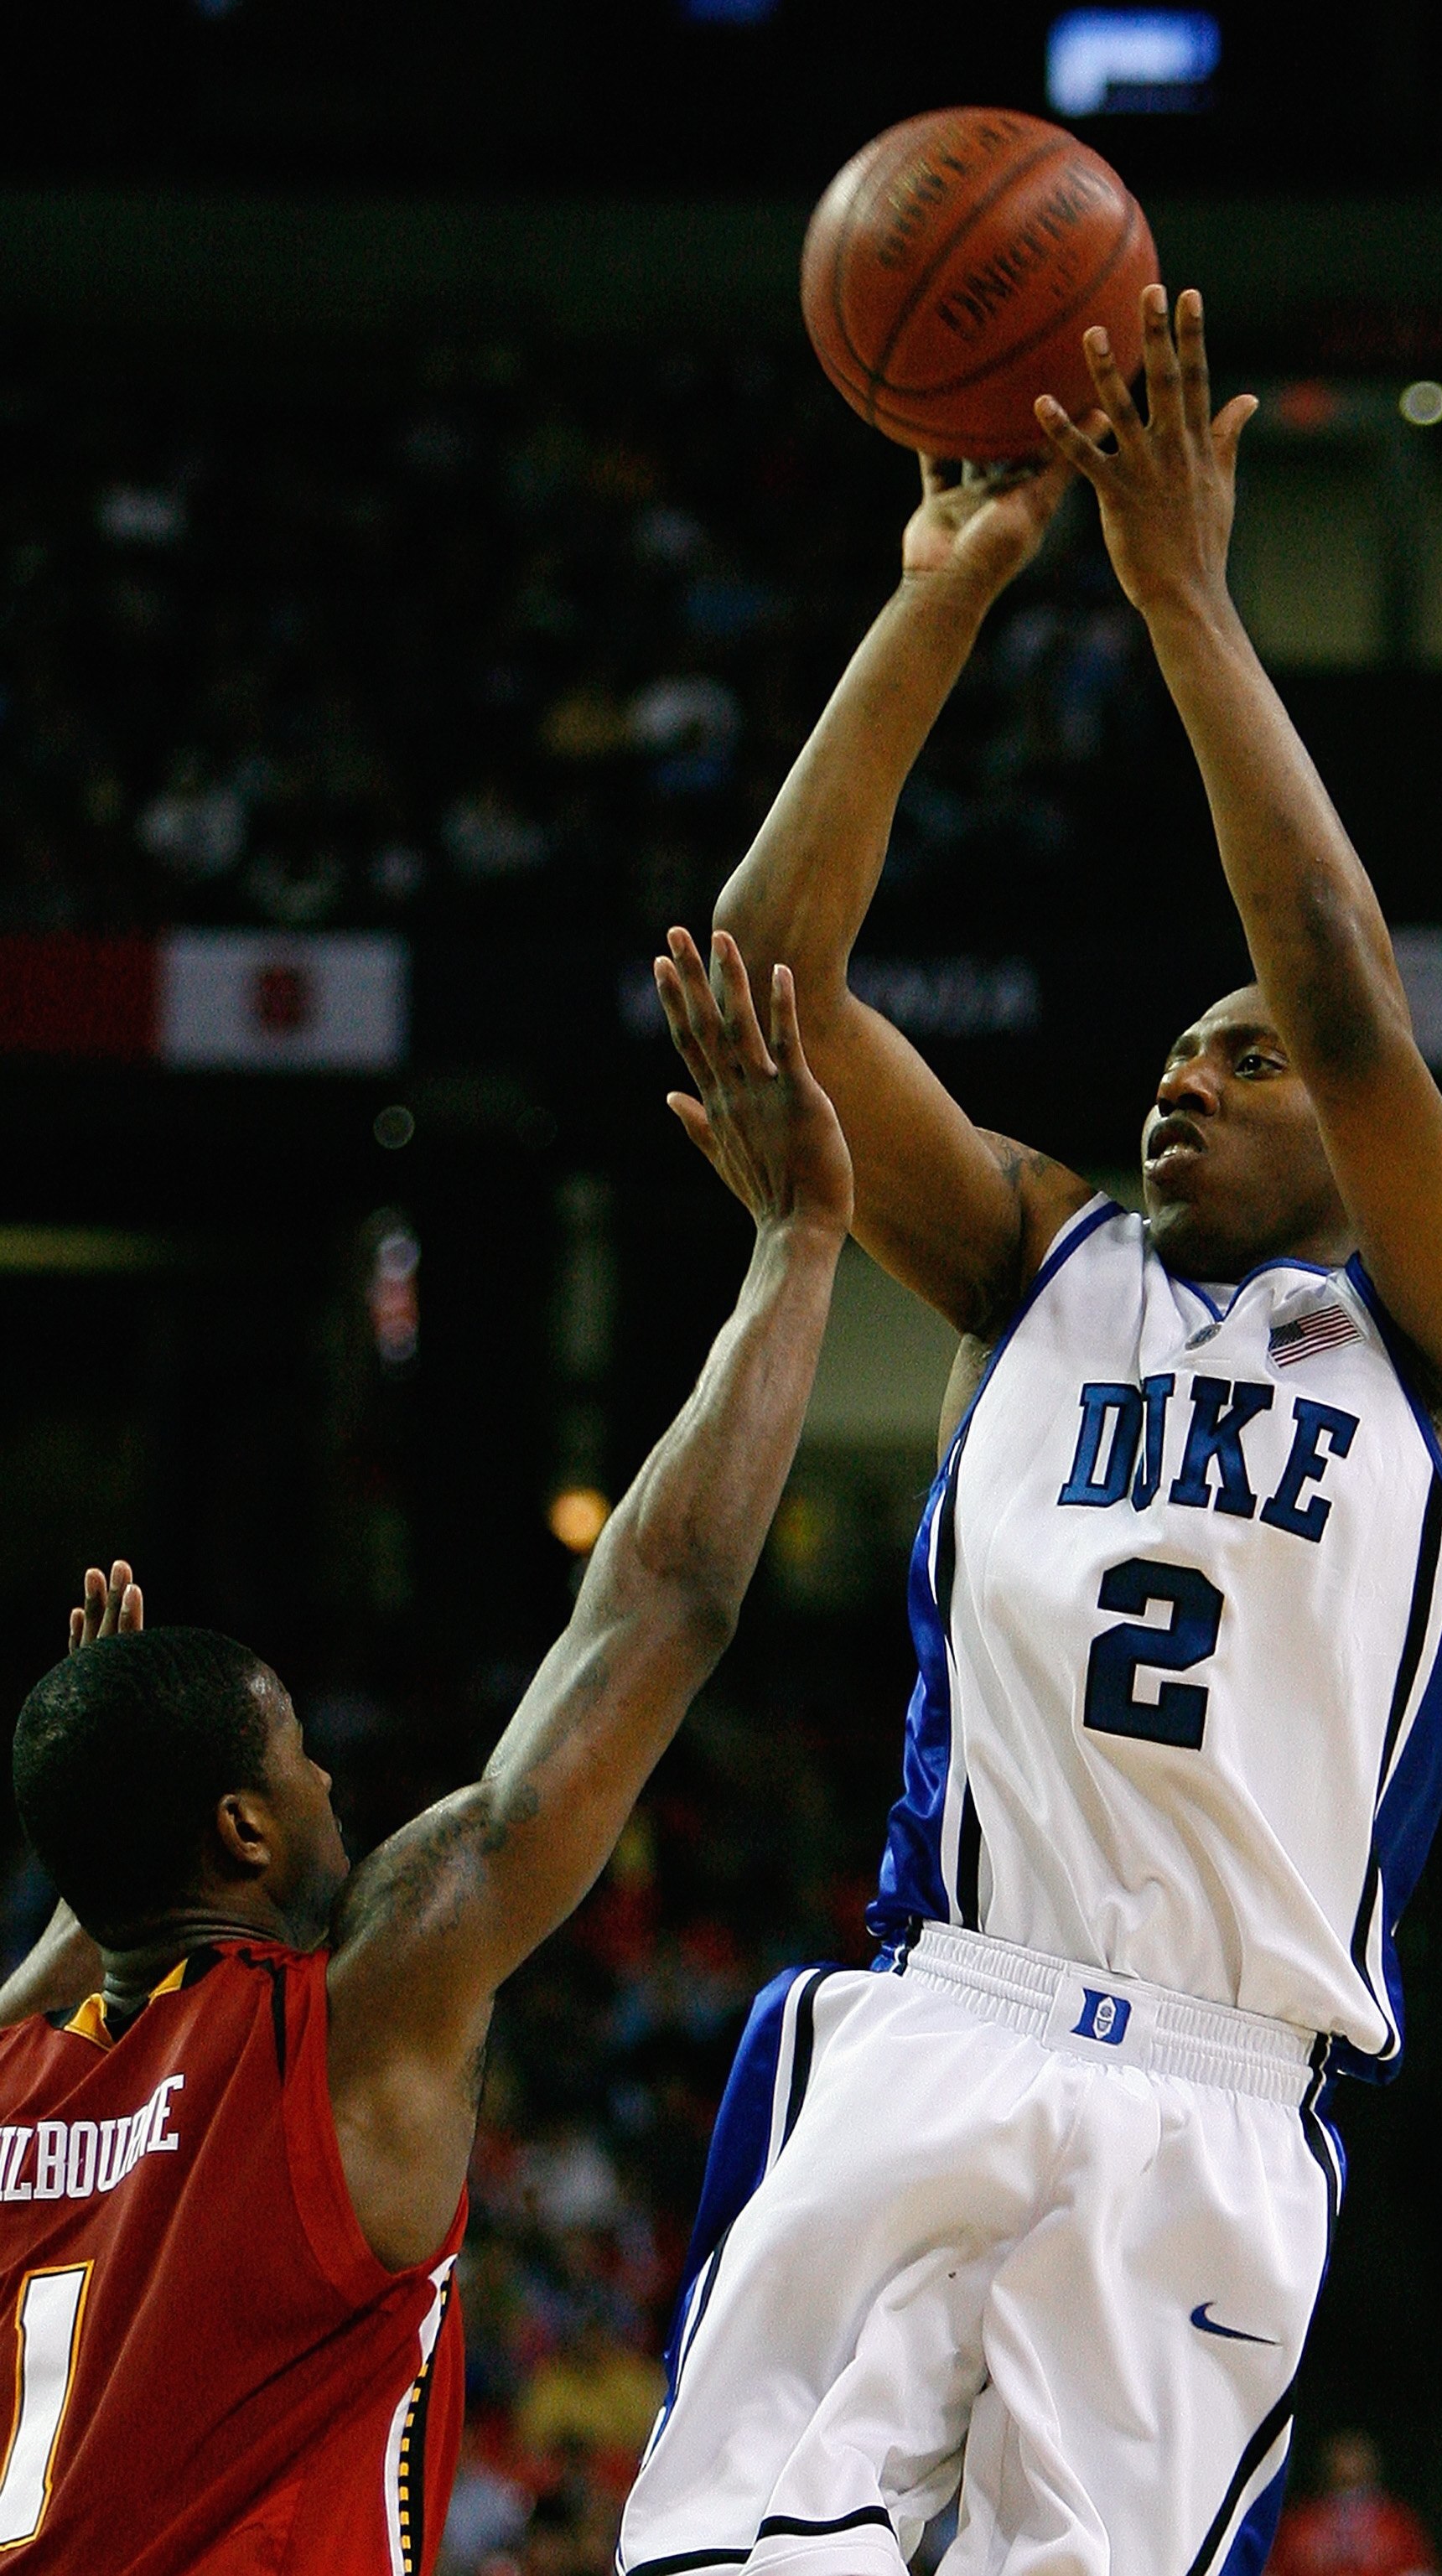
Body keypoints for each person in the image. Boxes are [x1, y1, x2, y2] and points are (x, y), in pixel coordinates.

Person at [619, 289, 1442, 2576]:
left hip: (1220, 2103)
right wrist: (932, 609)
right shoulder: (1043, 1263)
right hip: (948, 2009)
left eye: (1230, 1060)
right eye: (1166, 1052)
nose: (1178, 1076)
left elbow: (1329, 968)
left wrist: (1179, 600)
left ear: (1347, 1125)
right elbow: (776, 982)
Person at [0, 936, 852, 2575]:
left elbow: (77, 1954)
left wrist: (99, 1800)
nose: (335, 1783)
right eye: (301, 1755)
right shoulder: (343, 2021)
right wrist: (797, 1244)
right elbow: (657, 1606)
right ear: (242, 1826)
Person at [1266, 2431, 1439, 2576]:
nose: (1348, 2465)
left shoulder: (1397, 2524)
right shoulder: (1298, 2524)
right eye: (1342, 2457)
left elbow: (1417, 2571)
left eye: (1355, 2456)